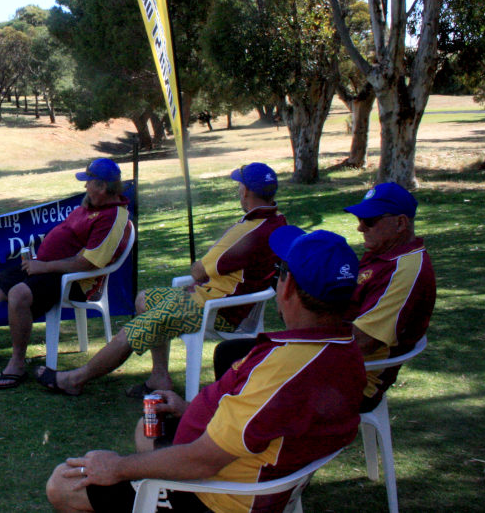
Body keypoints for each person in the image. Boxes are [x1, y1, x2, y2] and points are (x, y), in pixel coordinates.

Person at [45, 227, 366, 513]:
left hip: (212, 494)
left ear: (288, 287)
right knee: (149, 425)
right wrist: (188, 409)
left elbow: (203, 459)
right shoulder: (344, 352)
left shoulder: (282, 371)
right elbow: (265, 422)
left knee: (62, 483)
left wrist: (116, 467)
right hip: (244, 469)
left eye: (279, 270)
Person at [35, 162, 285, 397]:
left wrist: (210, 258)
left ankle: (75, 379)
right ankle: (159, 378)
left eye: (239, 185)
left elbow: (198, 271)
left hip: (215, 309)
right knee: (144, 299)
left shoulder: (248, 231)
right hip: (219, 299)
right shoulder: (274, 219)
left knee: (134, 329)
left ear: (246, 191)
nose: (237, 189)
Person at [213, 182, 435, 412]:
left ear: (400, 223)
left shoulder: (406, 269)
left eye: (369, 221)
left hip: (353, 379)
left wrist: (302, 338)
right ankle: (228, 428)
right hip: (335, 356)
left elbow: (365, 342)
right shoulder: (385, 254)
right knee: (234, 355)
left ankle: (235, 435)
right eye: (359, 219)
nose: (360, 228)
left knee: (241, 362)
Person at [0, 158, 132, 390]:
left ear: (103, 187)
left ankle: (17, 363)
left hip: (74, 280)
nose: (84, 187)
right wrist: (39, 262)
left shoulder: (113, 218)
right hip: (45, 266)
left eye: (88, 182)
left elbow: (88, 263)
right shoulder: (91, 206)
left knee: (18, 295)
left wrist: (43, 267)